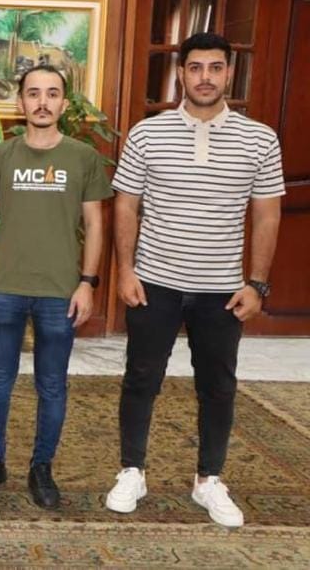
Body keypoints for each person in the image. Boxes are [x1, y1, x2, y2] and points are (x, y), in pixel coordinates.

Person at [105, 32, 284, 527]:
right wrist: (126, 270)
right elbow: (127, 205)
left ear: (230, 73)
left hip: (222, 290)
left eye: (216, 67)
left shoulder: (260, 139)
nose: (205, 77)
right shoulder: (147, 134)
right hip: (154, 282)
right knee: (141, 379)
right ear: (180, 73)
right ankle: (132, 471)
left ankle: (209, 480)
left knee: (218, 386)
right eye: (196, 67)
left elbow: (267, 214)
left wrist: (257, 284)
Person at [0, 65, 112, 509]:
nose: (42, 102)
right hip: (4, 288)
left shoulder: (82, 158)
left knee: (52, 385)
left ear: (64, 104)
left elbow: (94, 223)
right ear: (21, 102)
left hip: (59, 291)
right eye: (33, 93)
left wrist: (87, 283)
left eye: (51, 94)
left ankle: (41, 467)